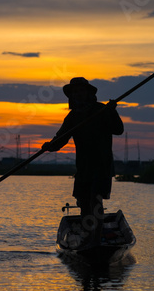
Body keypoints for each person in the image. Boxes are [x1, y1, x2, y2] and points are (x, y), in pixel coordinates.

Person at [41, 77, 124, 246]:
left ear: (88, 93)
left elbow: (118, 130)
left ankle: (95, 240)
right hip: (84, 167)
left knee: (95, 201)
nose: (79, 94)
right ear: (72, 96)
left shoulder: (101, 110)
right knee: (84, 203)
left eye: (81, 90)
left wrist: (112, 111)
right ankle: (88, 238)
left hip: (101, 164)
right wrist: (49, 146)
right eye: (75, 92)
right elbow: (61, 139)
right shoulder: (72, 117)